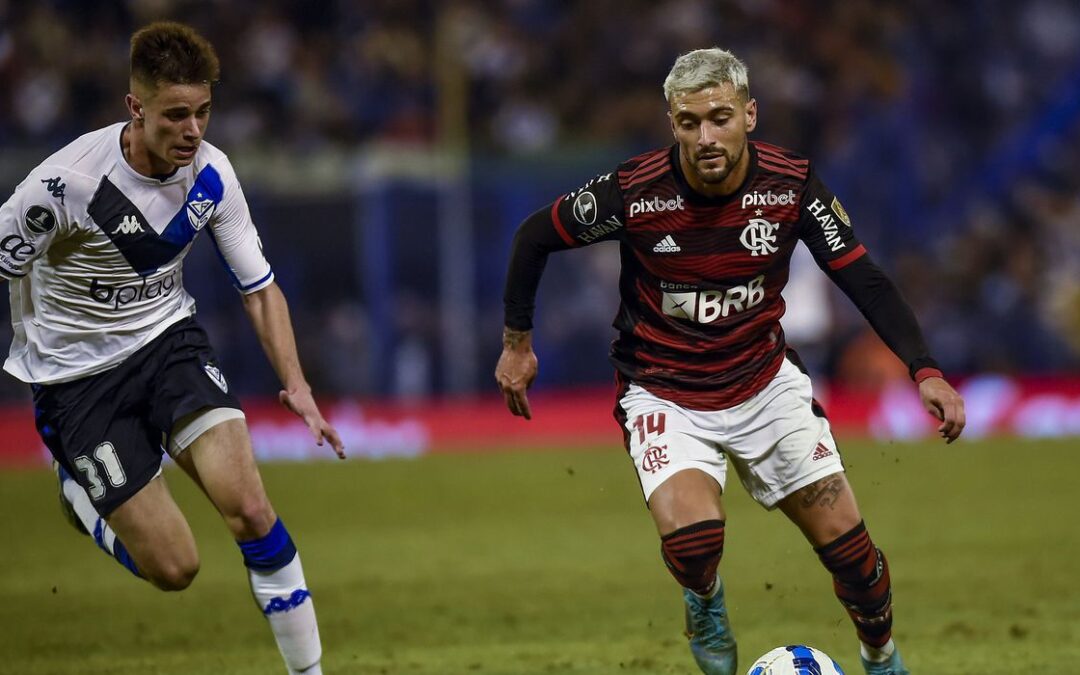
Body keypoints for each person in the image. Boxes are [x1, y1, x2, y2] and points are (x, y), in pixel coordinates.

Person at [495, 47, 965, 675]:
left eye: (719, 118)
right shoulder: (633, 192)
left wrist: (924, 369)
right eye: (689, 123)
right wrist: (517, 343)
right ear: (672, 124)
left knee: (853, 555)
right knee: (694, 543)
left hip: (764, 383)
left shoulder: (790, 183)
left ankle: (881, 657)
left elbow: (863, 278)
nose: (705, 137)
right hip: (664, 390)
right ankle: (704, 600)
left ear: (750, 114)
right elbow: (534, 237)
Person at [0, 22, 343, 675]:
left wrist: (295, 383)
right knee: (176, 567)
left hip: (168, 345)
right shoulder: (63, 187)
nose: (193, 129)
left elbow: (260, 288)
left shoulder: (212, 174)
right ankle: (81, 496)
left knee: (249, 506)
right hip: (77, 385)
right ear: (135, 108)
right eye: (176, 114)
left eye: (203, 112)